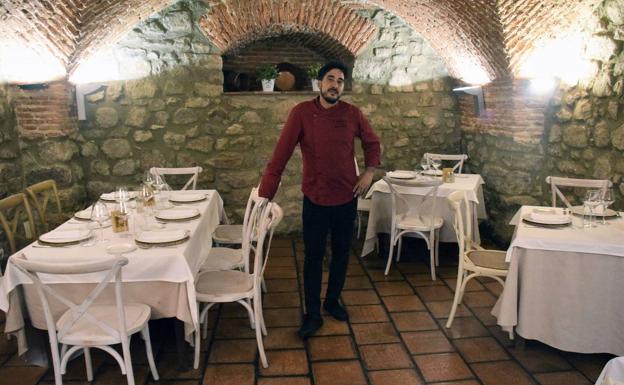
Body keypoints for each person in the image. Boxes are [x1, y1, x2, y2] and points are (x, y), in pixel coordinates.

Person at [258, 61, 381, 338]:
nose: (335, 84)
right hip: (314, 197)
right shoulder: (301, 113)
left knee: (340, 254)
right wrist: (265, 195)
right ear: (319, 82)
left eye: (340, 81)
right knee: (313, 257)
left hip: (347, 196)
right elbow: (280, 156)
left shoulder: (352, 114)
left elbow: (372, 143)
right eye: (330, 79)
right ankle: (312, 314)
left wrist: (369, 172)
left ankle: (332, 300)